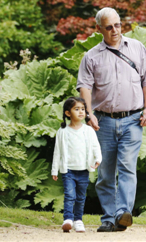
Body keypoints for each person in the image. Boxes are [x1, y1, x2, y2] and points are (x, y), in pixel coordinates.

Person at [77, 7, 146, 232]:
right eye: (109, 27)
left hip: (133, 120)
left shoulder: (137, 48)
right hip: (103, 122)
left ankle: (123, 213)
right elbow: (84, 86)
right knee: (104, 174)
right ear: (99, 29)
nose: (115, 30)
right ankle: (109, 218)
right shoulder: (91, 56)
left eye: (118, 25)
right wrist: (89, 114)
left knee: (127, 168)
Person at [51, 97, 102, 233]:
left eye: (83, 109)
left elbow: (95, 146)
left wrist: (98, 158)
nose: (81, 112)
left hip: (84, 169)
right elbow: (57, 152)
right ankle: (68, 219)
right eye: (76, 109)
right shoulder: (62, 132)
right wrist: (54, 170)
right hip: (68, 170)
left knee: (80, 197)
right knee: (69, 195)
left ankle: (78, 220)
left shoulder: (88, 130)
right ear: (68, 113)